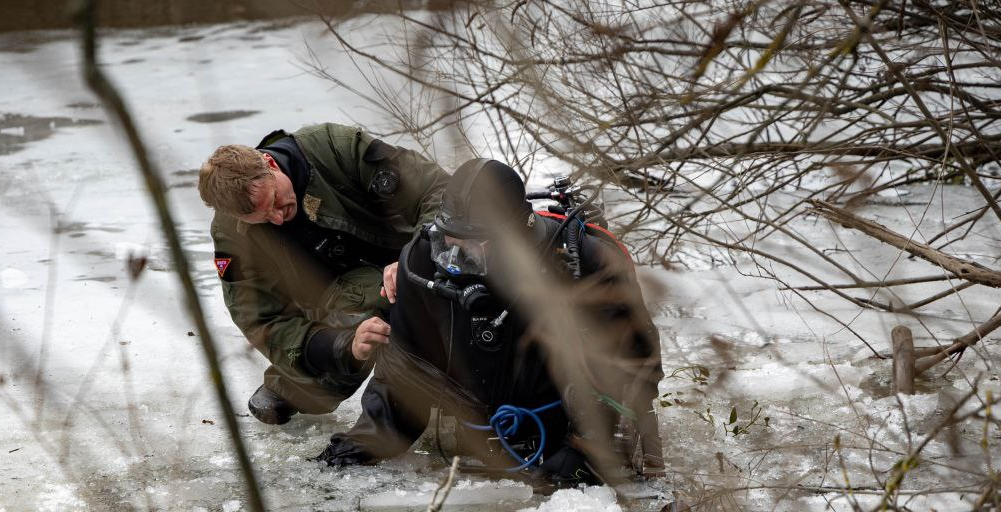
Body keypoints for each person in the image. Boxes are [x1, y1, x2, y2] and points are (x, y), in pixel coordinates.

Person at [317, 157, 664, 486]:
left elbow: (633, 370)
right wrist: (366, 442)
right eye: (448, 242)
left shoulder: (584, 262)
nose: (453, 259)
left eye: (471, 246)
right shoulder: (423, 261)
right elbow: (406, 373)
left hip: (563, 424)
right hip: (479, 429)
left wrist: (586, 448)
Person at [199, 123, 448, 425]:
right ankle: (303, 382)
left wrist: (415, 256)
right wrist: (340, 345)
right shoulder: (231, 232)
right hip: (330, 298)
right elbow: (262, 320)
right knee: (356, 318)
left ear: (270, 164)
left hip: (413, 254)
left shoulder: (334, 146)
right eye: (262, 218)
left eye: (276, 200)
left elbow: (437, 190)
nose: (278, 217)